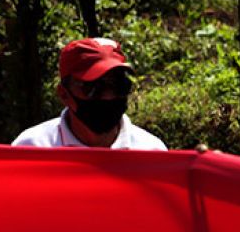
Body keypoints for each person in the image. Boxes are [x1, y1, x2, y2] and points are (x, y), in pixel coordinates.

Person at [13, 37, 166, 149]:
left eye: (119, 85)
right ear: (64, 94)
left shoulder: (151, 154)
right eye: (93, 88)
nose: (108, 96)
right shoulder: (32, 149)